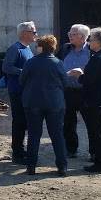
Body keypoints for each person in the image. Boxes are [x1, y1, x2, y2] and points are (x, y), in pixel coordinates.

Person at [68, 27, 101, 173]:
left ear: (98, 42)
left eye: (91, 39)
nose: (89, 41)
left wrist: (78, 74)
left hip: (98, 101)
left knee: (97, 133)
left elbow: (88, 80)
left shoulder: (98, 58)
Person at [20, 35, 69, 176]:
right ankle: (62, 167)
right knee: (57, 135)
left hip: (33, 102)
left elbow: (22, 80)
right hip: (54, 103)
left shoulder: (30, 62)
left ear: (41, 47)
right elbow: (65, 83)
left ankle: (31, 167)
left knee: (34, 135)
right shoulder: (58, 63)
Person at [3, 21, 37, 163]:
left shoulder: (28, 49)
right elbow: (6, 67)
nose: (36, 34)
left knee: (25, 122)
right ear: (24, 33)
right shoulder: (15, 49)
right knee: (19, 122)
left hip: (26, 91)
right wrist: (24, 72)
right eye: (33, 32)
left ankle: (21, 150)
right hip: (17, 91)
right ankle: (17, 153)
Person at [59, 24, 92, 157]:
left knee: (91, 123)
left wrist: (84, 73)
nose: (69, 36)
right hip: (68, 91)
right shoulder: (65, 48)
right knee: (68, 122)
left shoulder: (93, 49)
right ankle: (71, 149)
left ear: (83, 37)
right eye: (69, 33)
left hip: (86, 92)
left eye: (73, 34)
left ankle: (95, 152)